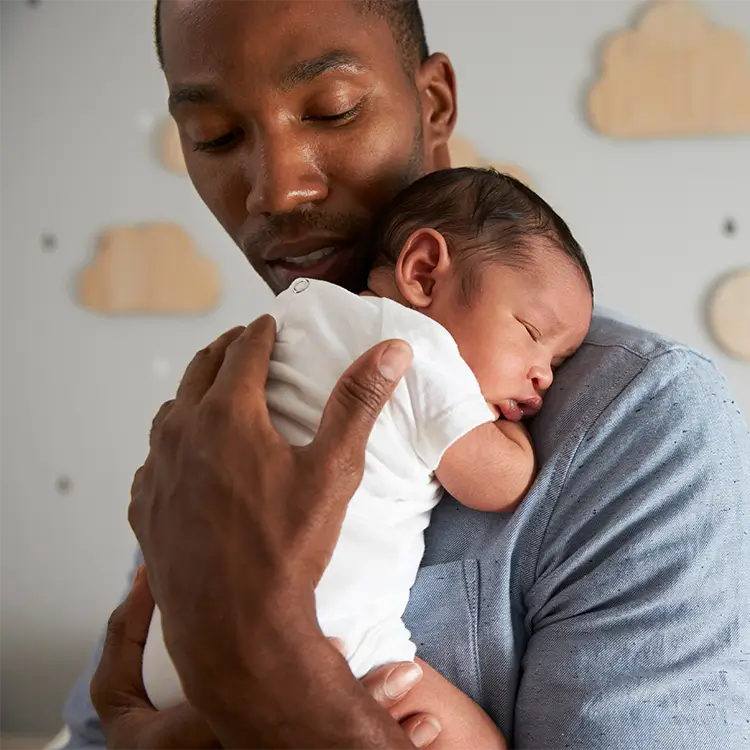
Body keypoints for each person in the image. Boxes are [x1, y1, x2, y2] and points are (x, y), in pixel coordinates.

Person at [60, 0, 750, 748]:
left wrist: (275, 686)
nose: (277, 189)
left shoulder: (643, 423)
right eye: (215, 137)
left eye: (333, 110)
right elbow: (107, 724)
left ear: (434, 103)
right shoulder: (231, 402)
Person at [139, 167, 593, 747]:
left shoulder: (295, 315)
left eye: (559, 359)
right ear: (424, 270)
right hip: (332, 648)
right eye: (532, 331)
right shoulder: (421, 351)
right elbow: (498, 483)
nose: (544, 375)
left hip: (173, 653)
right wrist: (514, 435)